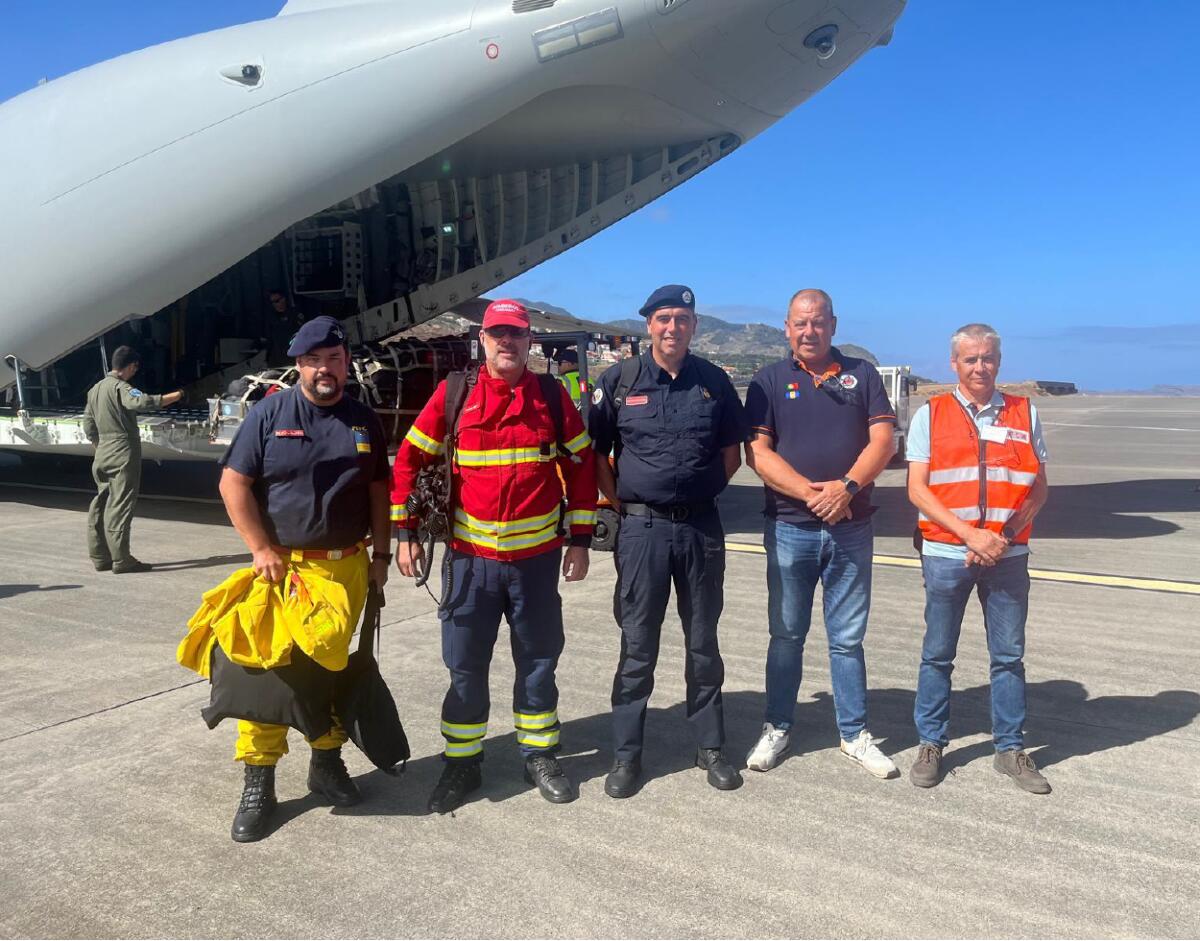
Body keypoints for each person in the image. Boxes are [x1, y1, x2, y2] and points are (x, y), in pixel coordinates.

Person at [391, 299, 597, 814]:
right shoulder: (455, 394)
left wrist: (580, 539)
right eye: (497, 334)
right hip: (469, 563)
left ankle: (540, 753)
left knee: (538, 662)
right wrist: (405, 532)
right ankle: (462, 763)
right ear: (482, 340)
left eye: (517, 334)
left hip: (535, 563)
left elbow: (582, 466)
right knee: (465, 668)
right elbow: (407, 460)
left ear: (530, 342)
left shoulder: (551, 397)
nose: (507, 342)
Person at [217, 315, 393, 841]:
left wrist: (381, 556)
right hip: (282, 570)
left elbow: (380, 492)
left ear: (345, 365)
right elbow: (233, 484)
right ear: (299, 365)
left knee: (333, 673)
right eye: (315, 361)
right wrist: (260, 548)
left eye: (334, 361)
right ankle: (259, 781)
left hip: (346, 569)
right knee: (269, 677)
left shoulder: (364, 421)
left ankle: (326, 764)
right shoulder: (269, 414)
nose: (325, 370)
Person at [588, 284, 747, 798]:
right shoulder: (619, 380)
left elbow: (731, 455)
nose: (672, 327)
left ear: (694, 326)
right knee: (638, 645)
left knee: (703, 644)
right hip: (642, 532)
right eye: (663, 318)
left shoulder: (715, 382)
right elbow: (596, 454)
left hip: (700, 528)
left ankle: (710, 747)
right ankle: (627, 756)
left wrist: (702, 495)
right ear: (648, 326)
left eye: (681, 318)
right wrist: (617, 504)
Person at [743, 289, 899, 779]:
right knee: (786, 635)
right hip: (791, 528)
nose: (809, 332)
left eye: (817, 323)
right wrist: (814, 495)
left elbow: (884, 439)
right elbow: (758, 453)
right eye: (799, 324)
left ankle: (853, 734)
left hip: (852, 529)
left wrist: (848, 487)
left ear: (833, 325)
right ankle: (778, 726)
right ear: (787, 329)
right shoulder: (768, 381)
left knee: (847, 639)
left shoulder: (863, 374)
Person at [906, 323, 1051, 793]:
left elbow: (1038, 487)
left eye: (987, 358)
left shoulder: (1024, 412)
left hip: (1007, 554)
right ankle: (931, 742)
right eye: (970, 359)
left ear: (999, 361)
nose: (980, 367)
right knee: (937, 653)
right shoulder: (932, 414)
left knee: (1008, 656)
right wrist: (971, 535)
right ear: (954, 363)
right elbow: (918, 490)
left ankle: (1009, 749)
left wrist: (1001, 537)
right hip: (948, 552)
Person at [82, 346, 183, 573]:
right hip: (122, 451)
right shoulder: (122, 388)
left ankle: (100, 556)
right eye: (135, 368)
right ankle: (121, 559)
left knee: (100, 503)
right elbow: (141, 402)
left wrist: (101, 447)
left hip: (103, 452)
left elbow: (88, 425)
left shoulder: (95, 390)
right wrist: (177, 396)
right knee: (120, 505)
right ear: (130, 366)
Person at [264, 288, 305, 364]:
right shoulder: (271, 317)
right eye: (272, 302)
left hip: (294, 356)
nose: (275, 304)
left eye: (277, 301)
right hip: (276, 358)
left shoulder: (295, 314)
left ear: (284, 299)